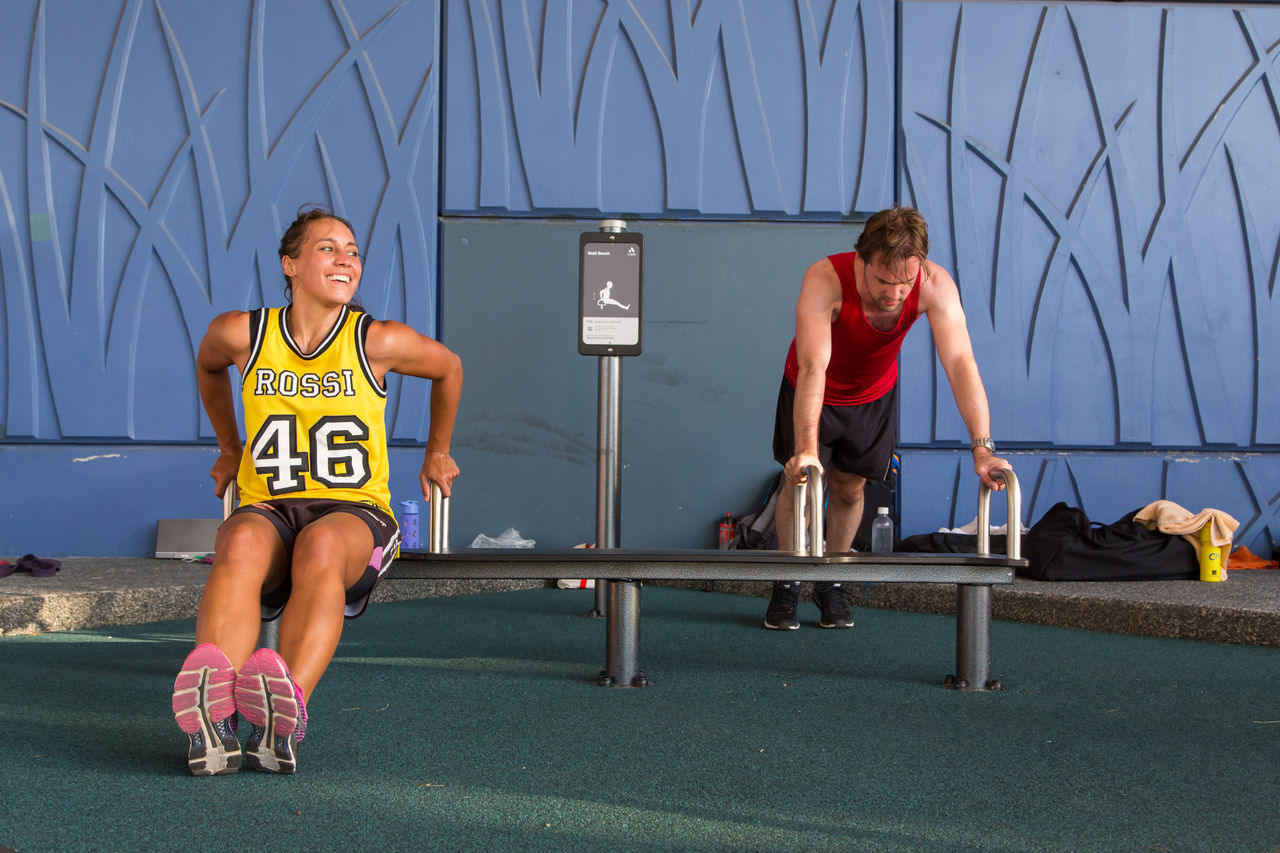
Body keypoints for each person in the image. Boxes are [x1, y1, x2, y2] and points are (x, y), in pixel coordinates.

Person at [171, 207, 462, 775]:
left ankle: (285, 714)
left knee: (321, 548)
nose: (346, 259)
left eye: (352, 251)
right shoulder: (242, 334)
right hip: (271, 507)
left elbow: (449, 367)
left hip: (355, 515)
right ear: (291, 264)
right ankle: (216, 722)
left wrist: (438, 450)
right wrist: (230, 445)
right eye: (328, 248)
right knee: (239, 545)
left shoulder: (377, 340)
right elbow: (207, 366)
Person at [766, 205, 1008, 630]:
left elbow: (960, 363)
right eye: (883, 280)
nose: (895, 294)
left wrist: (982, 449)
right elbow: (812, 367)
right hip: (812, 389)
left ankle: (833, 583)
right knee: (800, 484)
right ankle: (788, 580)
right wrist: (805, 448)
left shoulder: (934, 285)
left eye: (905, 282)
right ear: (862, 257)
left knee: (849, 490)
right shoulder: (825, 279)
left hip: (873, 396)